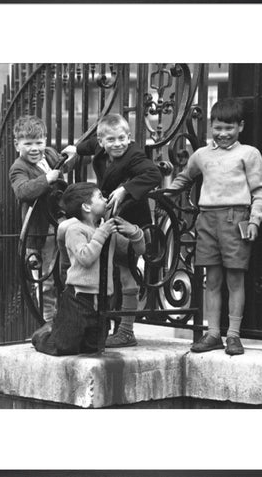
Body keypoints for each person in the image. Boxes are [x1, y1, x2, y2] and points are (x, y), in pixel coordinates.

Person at [167, 98, 262, 355]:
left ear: (240, 126)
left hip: (236, 220)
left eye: (229, 128)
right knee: (211, 280)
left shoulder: (249, 154)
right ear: (211, 127)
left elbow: (259, 192)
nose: (223, 134)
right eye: (218, 128)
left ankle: (233, 335)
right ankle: (213, 334)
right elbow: (184, 178)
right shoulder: (201, 155)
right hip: (207, 220)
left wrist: (254, 220)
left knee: (235, 278)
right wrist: (165, 194)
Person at [61, 114, 162, 347]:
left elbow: (154, 174)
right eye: (111, 140)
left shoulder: (134, 155)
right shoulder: (99, 146)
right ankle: (98, 321)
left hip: (132, 223)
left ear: (129, 137)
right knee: (107, 273)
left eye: (122, 138)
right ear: (102, 141)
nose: (117, 144)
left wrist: (126, 189)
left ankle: (126, 331)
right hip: (109, 220)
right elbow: (86, 146)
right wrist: (75, 149)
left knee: (127, 275)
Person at [31, 182, 145, 356]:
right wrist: (103, 233)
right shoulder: (75, 230)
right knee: (64, 347)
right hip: (78, 298)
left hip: (103, 300)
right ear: (86, 206)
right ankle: (43, 334)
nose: (106, 199)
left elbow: (137, 252)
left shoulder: (106, 230)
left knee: (92, 347)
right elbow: (85, 257)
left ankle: (60, 330)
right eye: (100, 197)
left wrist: (134, 232)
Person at [9, 115, 72, 323]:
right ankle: (48, 322)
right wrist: (46, 179)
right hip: (41, 232)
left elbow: (66, 165)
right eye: (28, 144)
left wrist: (74, 155)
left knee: (65, 271)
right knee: (45, 279)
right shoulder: (19, 167)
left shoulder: (51, 154)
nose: (35, 148)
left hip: (60, 223)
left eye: (39, 142)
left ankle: (66, 316)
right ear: (17, 145)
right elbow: (23, 191)